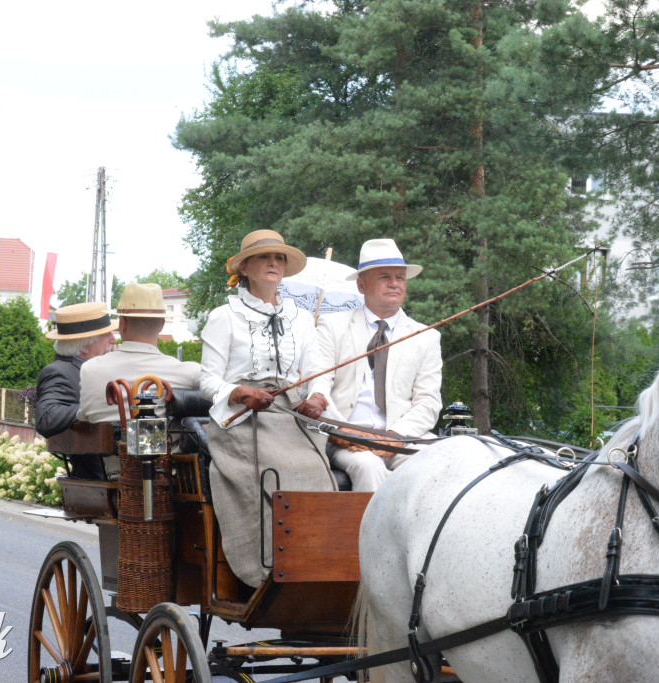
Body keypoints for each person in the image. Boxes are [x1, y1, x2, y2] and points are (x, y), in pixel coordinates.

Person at [200, 229, 337, 586]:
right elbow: (208, 382)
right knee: (276, 469)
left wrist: (318, 397)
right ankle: (267, 568)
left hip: (290, 415)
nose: (273, 263)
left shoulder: (302, 317)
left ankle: (320, 564)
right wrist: (243, 394)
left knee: (318, 467)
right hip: (240, 419)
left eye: (279, 258)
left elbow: (319, 372)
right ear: (244, 267)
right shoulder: (223, 316)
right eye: (264, 257)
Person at [305, 238, 443, 491]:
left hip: (401, 437)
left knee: (441, 460)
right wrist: (344, 433)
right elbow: (318, 383)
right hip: (346, 440)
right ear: (361, 285)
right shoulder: (331, 326)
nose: (395, 283)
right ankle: (373, 532)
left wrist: (392, 437)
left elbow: (428, 402)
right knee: (369, 466)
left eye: (400, 278)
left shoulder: (426, 337)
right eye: (384, 277)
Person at [76, 282, 201, 477]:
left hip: (113, 477)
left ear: (122, 323)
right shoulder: (188, 372)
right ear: (161, 325)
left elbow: (83, 418)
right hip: (168, 479)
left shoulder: (89, 369)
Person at [36, 301, 118, 440]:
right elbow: (46, 418)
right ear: (84, 348)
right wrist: (96, 407)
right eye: (106, 335)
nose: (113, 339)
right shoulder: (59, 371)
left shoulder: (96, 366)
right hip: (99, 458)